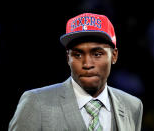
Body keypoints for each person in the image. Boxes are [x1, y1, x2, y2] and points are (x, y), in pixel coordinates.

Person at [8, 13, 143, 131]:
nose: (87, 64)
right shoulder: (36, 103)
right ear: (68, 58)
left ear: (114, 56)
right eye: (77, 55)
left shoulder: (132, 106)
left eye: (97, 54)